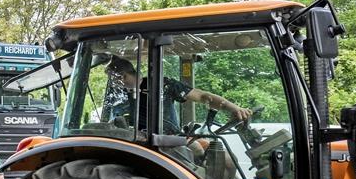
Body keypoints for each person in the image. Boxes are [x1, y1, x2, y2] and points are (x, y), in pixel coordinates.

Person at [103, 56, 252, 134]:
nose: (112, 83)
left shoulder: (161, 85)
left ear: (121, 76)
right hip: (136, 143)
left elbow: (201, 96)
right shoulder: (117, 94)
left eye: (112, 79)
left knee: (222, 159)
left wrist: (234, 108)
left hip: (168, 138)